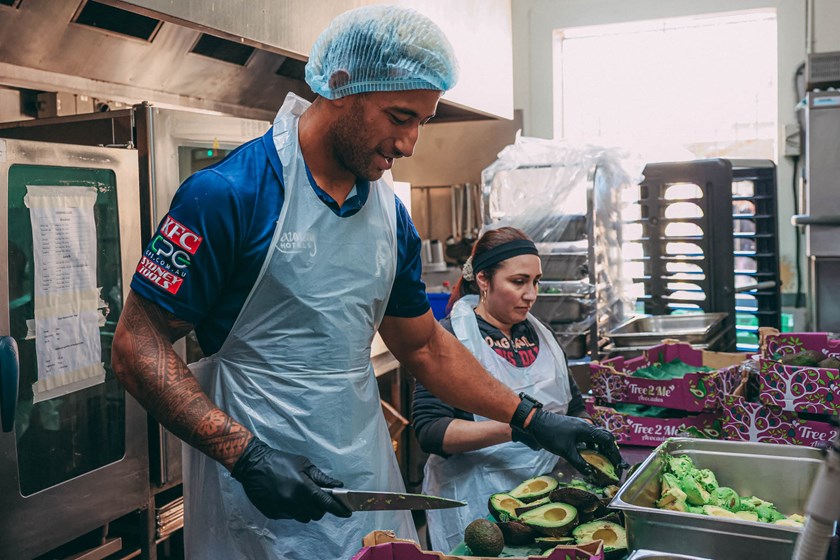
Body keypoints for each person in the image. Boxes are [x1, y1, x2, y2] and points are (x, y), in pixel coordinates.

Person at [111, 5, 623, 559]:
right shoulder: (228, 195)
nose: (409, 144)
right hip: (261, 484)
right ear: (339, 85)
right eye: (400, 116)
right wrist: (247, 455)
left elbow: (424, 346)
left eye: (421, 122)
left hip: (362, 464)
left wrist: (531, 418)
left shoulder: (388, 214)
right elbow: (136, 345)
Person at [413, 227, 621, 553]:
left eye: (536, 281)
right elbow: (431, 431)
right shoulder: (451, 337)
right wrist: (520, 428)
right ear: (483, 280)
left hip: (545, 500)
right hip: (475, 503)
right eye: (518, 282)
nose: (531, 294)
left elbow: (572, 404)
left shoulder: (543, 335)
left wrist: (584, 432)